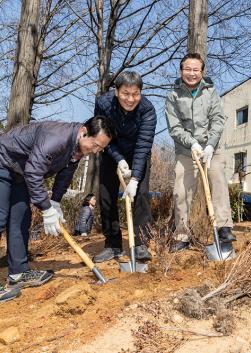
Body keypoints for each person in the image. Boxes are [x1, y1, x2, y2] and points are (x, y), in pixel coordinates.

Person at [0, 117, 113, 305]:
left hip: (18, 171)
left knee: (21, 219)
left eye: (100, 149)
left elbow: (66, 173)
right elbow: (34, 171)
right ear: (84, 132)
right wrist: (46, 209)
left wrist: (55, 201)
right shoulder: (57, 137)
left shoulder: (76, 148)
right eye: (95, 145)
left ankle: (19, 273)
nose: (95, 151)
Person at [165, 52, 236, 252]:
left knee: (218, 181)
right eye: (187, 69)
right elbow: (174, 127)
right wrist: (192, 144)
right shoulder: (173, 96)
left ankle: (223, 228)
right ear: (181, 71)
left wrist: (210, 145)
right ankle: (182, 235)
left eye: (196, 70)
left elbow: (218, 120)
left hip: (211, 149)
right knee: (181, 191)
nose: (192, 73)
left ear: (202, 72)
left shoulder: (211, 92)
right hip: (186, 151)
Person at [92, 71, 157, 263]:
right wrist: (119, 159)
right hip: (111, 150)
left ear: (140, 93)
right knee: (106, 195)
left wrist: (135, 179)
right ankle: (112, 244)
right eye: (125, 93)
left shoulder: (147, 110)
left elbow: (144, 144)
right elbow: (102, 135)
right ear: (116, 91)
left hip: (138, 152)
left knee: (141, 195)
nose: (130, 99)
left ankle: (140, 244)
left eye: (135, 94)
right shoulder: (103, 104)